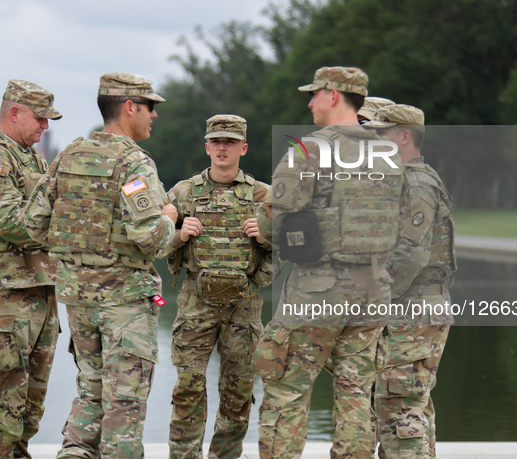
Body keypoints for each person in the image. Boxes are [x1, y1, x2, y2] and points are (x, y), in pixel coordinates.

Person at [252, 66, 406, 459]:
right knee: (355, 392)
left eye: (315, 94)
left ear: (333, 95)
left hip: (319, 290)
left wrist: (264, 225)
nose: (309, 102)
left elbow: (274, 220)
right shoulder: (388, 152)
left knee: (286, 387)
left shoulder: (309, 149)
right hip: (374, 289)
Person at [24, 72, 177, 459]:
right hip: (123, 301)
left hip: (77, 299)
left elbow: (33, 223)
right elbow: (151, 238)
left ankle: (75, 452)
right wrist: (171, 218)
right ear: (130, 108)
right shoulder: (133, 162)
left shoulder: (69, 155)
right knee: (125, 399)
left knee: (90, 387)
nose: (154, 116)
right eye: (150, 108)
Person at [0, 79, 62, 459]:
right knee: (0, 414)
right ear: (14, 113)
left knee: (28, 413)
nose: (45, 127)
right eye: (40, 118)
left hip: (39, 295)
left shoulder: (30, 158)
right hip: (2, 302)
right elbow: (9, 222)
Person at [164, 115, 273, 459]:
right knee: (188, 389)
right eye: (216, 141)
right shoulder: (182, 192)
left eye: (230, 142)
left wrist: (267, 238)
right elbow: (151, 242)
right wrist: (180, 235)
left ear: (243, 147)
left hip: (245, 306)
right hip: (196, 303)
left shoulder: (264, 195)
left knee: (238, 392)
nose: (222, 147)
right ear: (207, 146)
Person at [365, 104, 456, 459]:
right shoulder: (405, 178)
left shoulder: (416, 182)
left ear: (404, 137)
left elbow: (410, 255)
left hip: (411, 312)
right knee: (411, 408)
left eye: (380, 135)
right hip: (411, 310)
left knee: (398, 411)